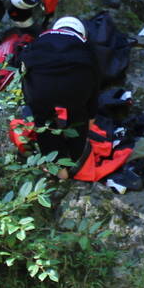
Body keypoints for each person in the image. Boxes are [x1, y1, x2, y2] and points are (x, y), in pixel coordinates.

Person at [19, 15, 100, 171]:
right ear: (82, 33)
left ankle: (57, 166)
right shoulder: (86, 46)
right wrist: (91, 115)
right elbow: (94, 84)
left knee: (42, 118)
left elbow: (24, 67)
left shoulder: (40, 39)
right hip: (74, 90)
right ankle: (73, 157)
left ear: (56, 28)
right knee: (78, 115)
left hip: (41, 89)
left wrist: (29, 100)